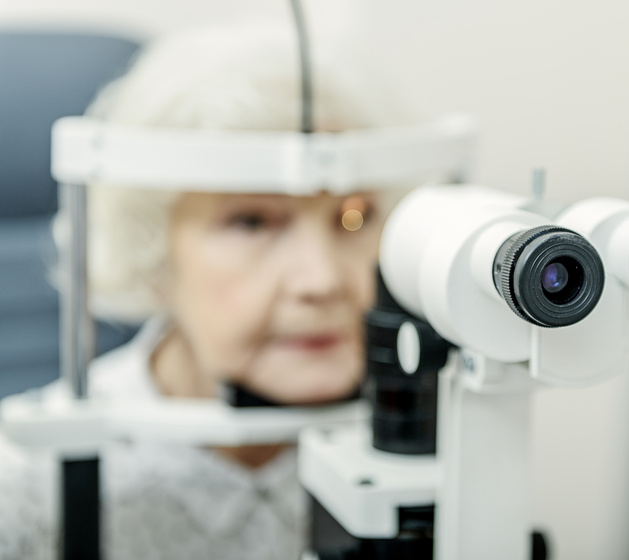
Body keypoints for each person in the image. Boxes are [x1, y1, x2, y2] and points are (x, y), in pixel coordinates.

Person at [0, 20, 411, 560]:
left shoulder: (427, 462)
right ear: (152, 250)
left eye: (353, 217)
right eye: (252, 222)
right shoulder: (24, 487)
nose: (323, 281)